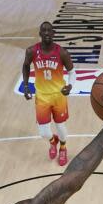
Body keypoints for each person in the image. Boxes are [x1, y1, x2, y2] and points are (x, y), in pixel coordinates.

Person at [21, 22, 76, 166]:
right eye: (43, 30)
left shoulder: (62, 52)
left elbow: (72, 72)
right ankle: (53, 141)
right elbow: (26, 66)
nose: (46, 33)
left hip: (58, 96)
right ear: (40, 34)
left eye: (49, 30)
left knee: (60, 126)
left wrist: (70, 85)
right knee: (43, 132)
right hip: (42, 96)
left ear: (53, 33)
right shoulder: (32, 51)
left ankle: (63, 147)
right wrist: (26, 86)